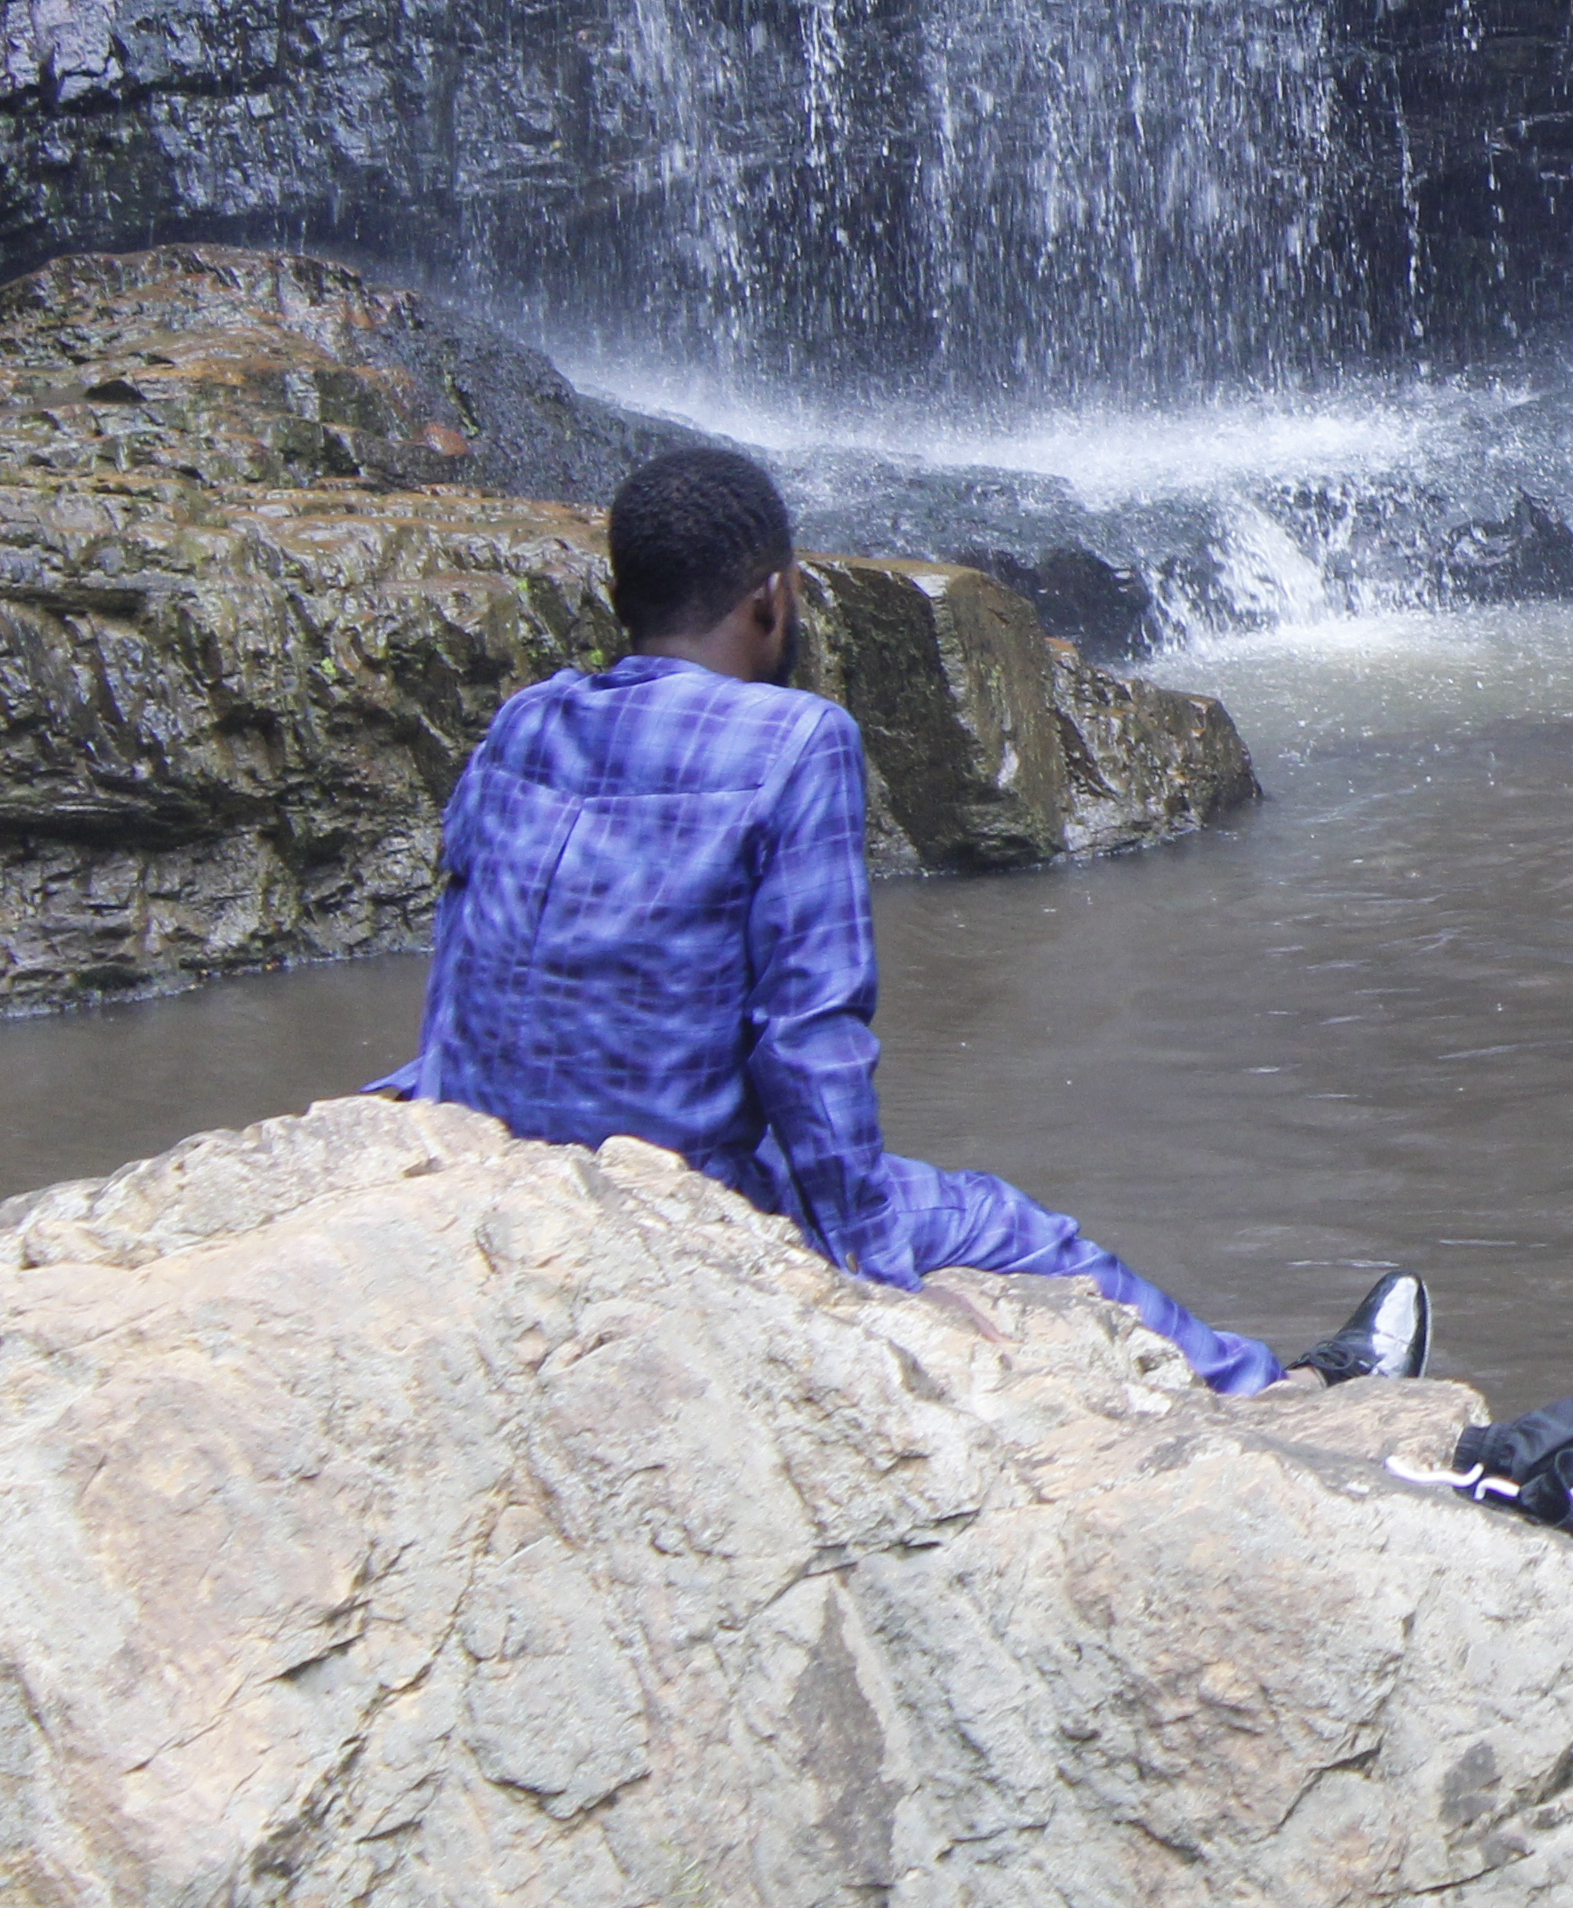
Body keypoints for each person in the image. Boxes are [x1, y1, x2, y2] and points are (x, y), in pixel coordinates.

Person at [376, 449, 1425, 1397]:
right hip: (678, 1189)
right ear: (775, 600)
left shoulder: (527, 718)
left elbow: (471, 952)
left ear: (622, 598)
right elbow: (809, 1036)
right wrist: (872, 1277)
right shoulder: (797, 740)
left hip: (500, 1154)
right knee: (1005, 1221)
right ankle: (1278, 1394)